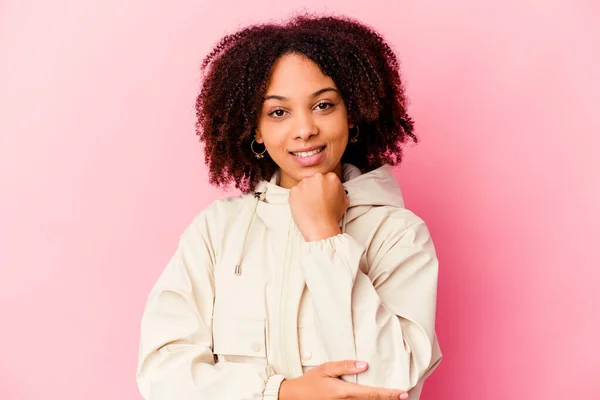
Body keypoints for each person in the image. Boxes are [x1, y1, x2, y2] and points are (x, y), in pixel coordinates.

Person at [136, 14, 442, 400]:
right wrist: (279, 393)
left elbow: (392, 384)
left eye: (324, 105)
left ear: (352, 115)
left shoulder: (398, 234)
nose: (304, 129)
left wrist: (325, 237)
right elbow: (161, 374)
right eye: (278, 112)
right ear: (256, 129)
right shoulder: (216, 231)